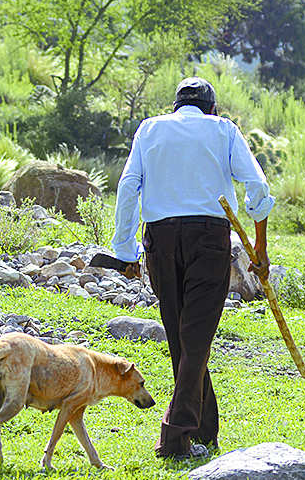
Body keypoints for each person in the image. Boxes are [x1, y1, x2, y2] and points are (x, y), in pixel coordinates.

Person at [109, 76, 274, 460]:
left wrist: (126, 250)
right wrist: (260, 246)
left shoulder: (150, 129)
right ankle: (175, 437)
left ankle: (205, 431)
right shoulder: (223, 130)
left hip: (160, 243)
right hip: (209, 240)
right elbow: (257, 186)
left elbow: (128, 185)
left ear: (175, 108)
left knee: (184, 339)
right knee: (194, 340)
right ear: (211, 109)